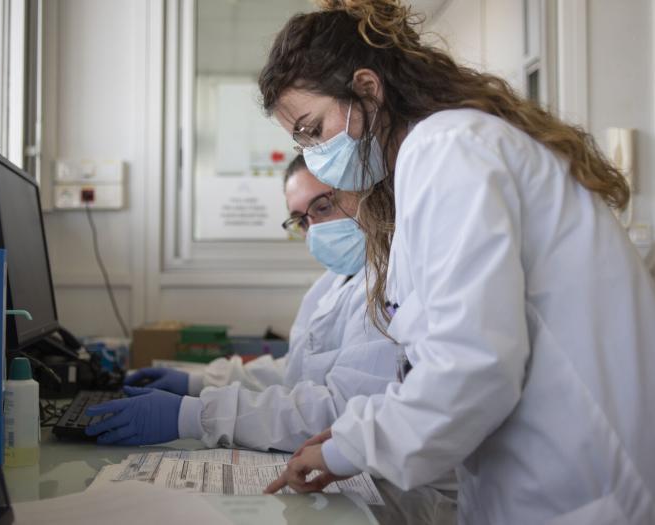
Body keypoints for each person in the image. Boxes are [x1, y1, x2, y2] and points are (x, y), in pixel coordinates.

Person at [258, 1, 655, 524]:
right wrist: (358, 432)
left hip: (580, 490)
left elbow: (471, 366)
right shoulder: (430, 161)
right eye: (301, 141)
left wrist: (345, 449)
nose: (314, 155)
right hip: (533, 484)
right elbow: (443, 357)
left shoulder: (448, 149)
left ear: (369, 89)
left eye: (314, 129)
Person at [83, 155, 403, 453]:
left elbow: (339, 413)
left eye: (322, 207)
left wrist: (194, 415)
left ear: (363, 193)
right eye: (301, 221)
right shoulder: (333, 283)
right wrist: (198, 381)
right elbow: (296, 372)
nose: (314, 229)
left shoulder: (389, 283)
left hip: (390, 497)